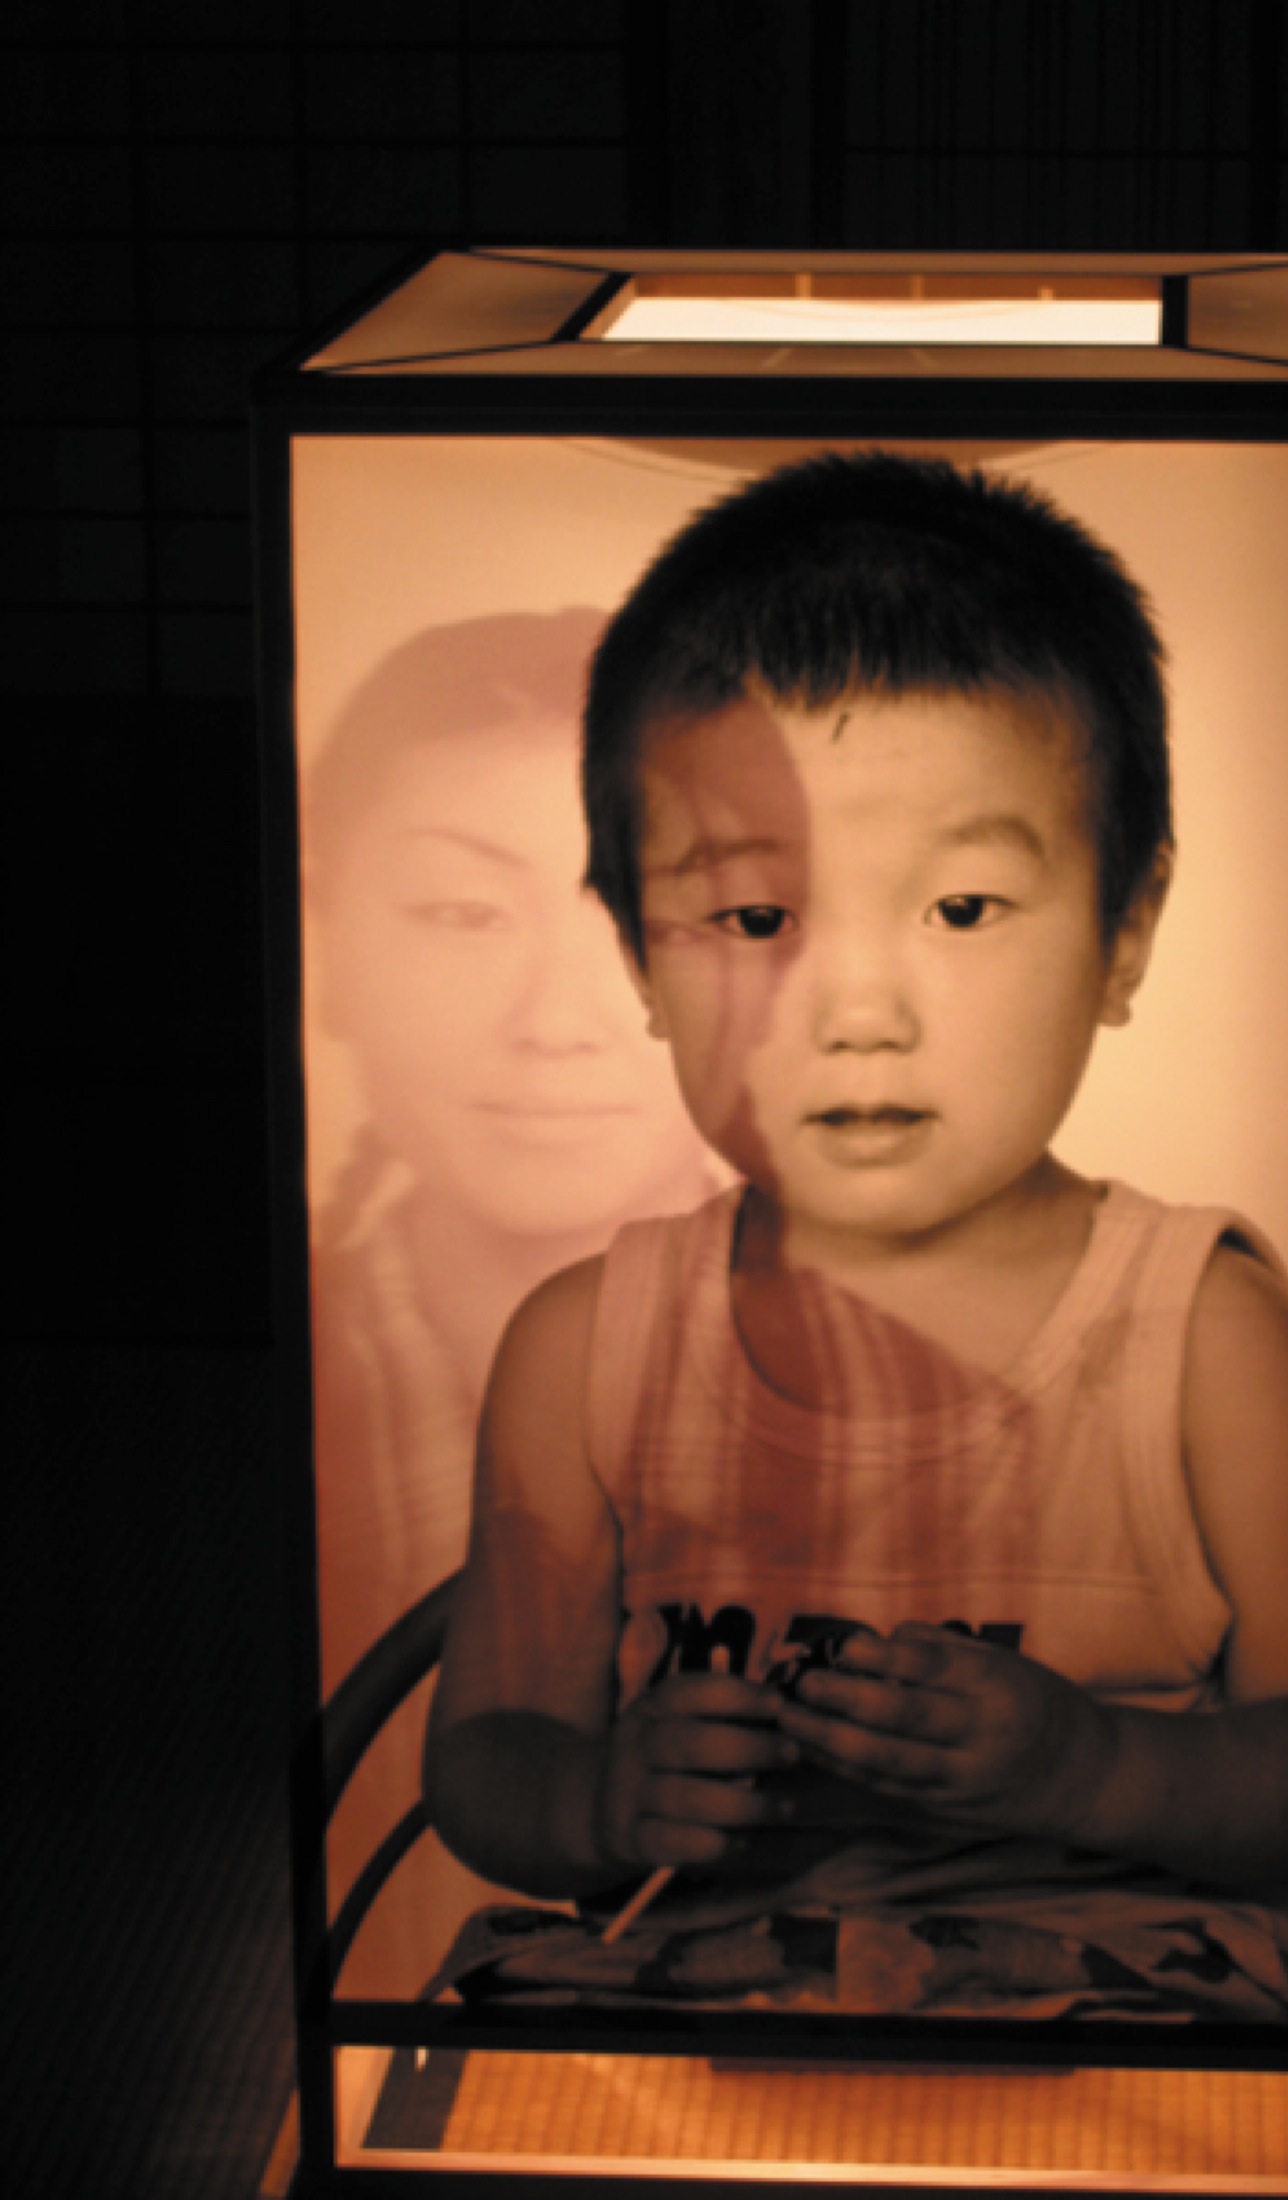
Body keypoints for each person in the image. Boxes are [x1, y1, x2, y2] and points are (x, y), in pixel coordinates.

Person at [423, 455, 1288, 2023]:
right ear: (641, 959)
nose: (859, 1014)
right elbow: (487, 1756)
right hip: (698, 2009)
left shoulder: (1203, 1340)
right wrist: (599, 1802)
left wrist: (1091, 1765)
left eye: (960, 910)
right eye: (756, 919)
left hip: (1117, 2014)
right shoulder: (583, 1348)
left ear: (1124, 931)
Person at [304, 612, 716, 1993]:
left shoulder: (910, 1364)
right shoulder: (248, 1401)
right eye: (463, 913)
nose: (556, 1019)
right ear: (323, 937)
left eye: (638, 916)